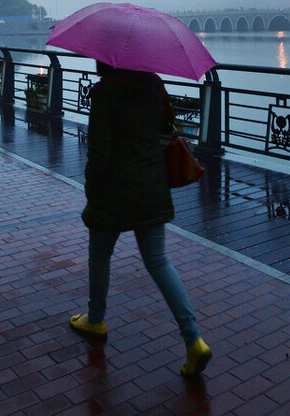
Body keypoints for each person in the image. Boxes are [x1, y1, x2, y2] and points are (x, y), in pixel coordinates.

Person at [69, 61, 212, 376]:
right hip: (151, 186)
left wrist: (92, 188)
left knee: (100, 255)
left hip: (114, 192)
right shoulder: (152, 84)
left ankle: (95, 318)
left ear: (105, 58)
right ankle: (194, 340)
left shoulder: (104, 92)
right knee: (159, 262)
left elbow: (100, 152)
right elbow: (165, 133)